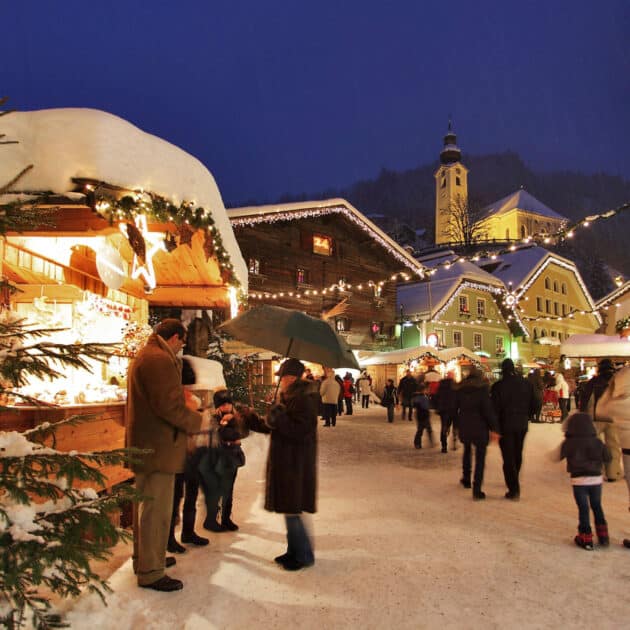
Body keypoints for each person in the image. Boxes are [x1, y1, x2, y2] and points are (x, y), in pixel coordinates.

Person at [126, 319, 202, 592]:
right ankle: (151, 572)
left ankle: (147, 560)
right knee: (155, 511)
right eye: (182, 342)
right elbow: (168, 406)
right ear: (174, 337)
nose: (182, 347)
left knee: (148, 509)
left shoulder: (148, 356)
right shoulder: (158, 360)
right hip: (157, 447)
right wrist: (198, 421)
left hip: (150, 446)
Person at [263, 358, 318, 571]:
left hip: (296, 462)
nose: (281, 381)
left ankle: (303, 554)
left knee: (293, 509)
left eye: (283, 377)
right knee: (289, 508)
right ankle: (293, 550)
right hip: (286, 460)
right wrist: (254, 418)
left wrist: (280, 417)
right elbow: (275, 426)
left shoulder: (304, 398)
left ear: (292, 377)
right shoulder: (288, 396)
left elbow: (301, 431)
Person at [167, 358, 209, 553]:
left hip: (192, 452)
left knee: (191, 493)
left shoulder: (190, 398)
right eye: (186, 384)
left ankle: (188, 531)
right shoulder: (173, 398)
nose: (188, 388)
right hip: (176, 452)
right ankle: (169, 538)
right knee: (175, 497)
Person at [199, 390, 249, 533]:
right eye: (223, 404)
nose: (226, 406)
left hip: (232, 457)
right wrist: (225, 425)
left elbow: (241, 433)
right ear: (218, 406)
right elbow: (221, 434)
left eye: (228, 403)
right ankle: (211, 520)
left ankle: (226, 518)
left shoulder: (236, 417)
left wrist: (230, 425)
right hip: (216, 457)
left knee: (229, 489)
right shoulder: (213, 418)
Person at [559, 413, 611, 550]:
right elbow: (608, 457)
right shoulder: (597, 442)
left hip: (579, 481)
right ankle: (603, 536)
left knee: (583, 509)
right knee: (597, 506)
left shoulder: (569, 442)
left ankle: (586, 538)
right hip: (596, 480)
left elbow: (559, 455)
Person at [491, 358, 535, 501]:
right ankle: (514, 477)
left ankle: (513, 488)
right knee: (517, 452)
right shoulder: (526, 384)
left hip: (505, 425)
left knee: (508, 456)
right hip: (522, 423)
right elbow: (536, 402)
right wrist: (528, 414)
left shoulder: (498, 386)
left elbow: (494, 409)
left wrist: (494, 427)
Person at [596, 365, 630, 548]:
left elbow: (602, 406)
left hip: (626, 438)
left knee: (601, 446)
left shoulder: (622, 377)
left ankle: (599, 470)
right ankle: (612, 472)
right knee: (613, 448)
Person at [455, 366, 499, 500]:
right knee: (480, 459)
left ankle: (466, 478)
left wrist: (456, 425)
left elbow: (456, 408)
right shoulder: (483, 390)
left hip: (465, 426)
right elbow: (488, 411)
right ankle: (477, 488)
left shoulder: (461, 390)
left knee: (467, 451)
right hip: (480, 428)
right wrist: (494, 428)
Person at [578, 358, 623, 482]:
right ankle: (613, 473)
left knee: (593, 445)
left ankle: (594, 471)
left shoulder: (593, 382)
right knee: (613, 445)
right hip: (613, 417)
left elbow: (585, 399)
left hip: (595, 418)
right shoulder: (617, 382)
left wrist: (582, 415)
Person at [435, 371, 458, 453]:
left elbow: (436, 397)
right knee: (455, 427)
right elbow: (459, 398)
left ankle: (444, 446)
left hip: (443, 410)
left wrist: (438, 407)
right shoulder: (456, 385)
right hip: (454, 410)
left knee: (444, 427)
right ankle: (454, 442)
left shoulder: (441, 385)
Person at [412, 382, 433, 449]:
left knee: (422, 430)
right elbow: (425, 406)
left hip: (420, 415)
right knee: (422, 430)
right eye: (426, 389)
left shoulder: (419, 397)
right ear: (423, 390)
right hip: (423, 415)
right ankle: (418, 443)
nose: (427, 390)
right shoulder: (422, 397)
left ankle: (418, 443)